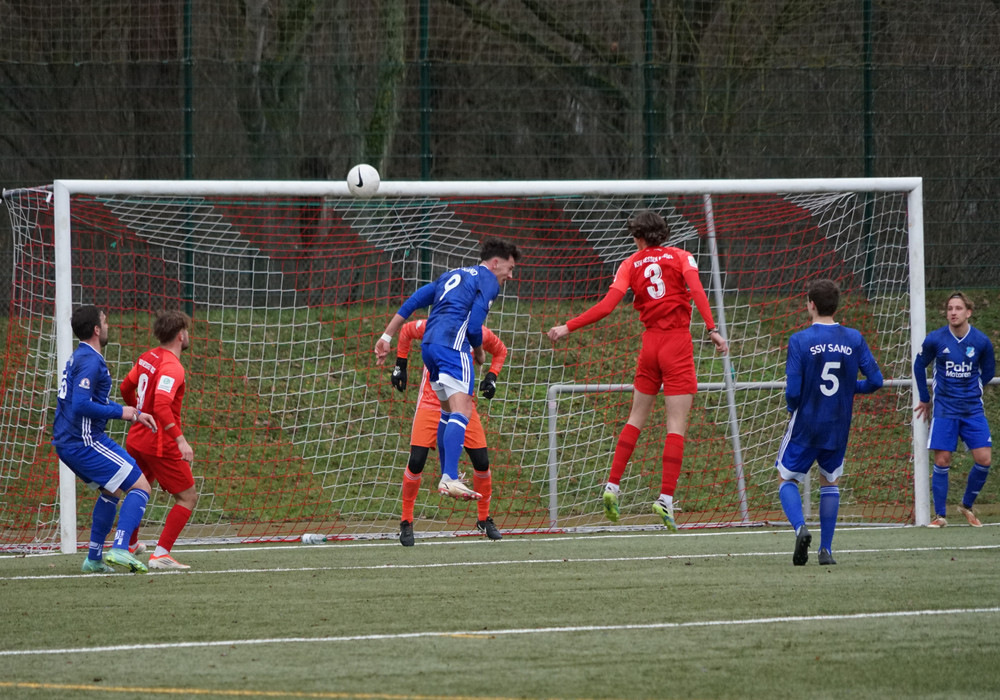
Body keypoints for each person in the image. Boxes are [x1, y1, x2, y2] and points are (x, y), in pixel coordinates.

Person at [547, 209, 729, 530]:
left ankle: (612, 485)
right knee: (675, 425)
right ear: (664, 234)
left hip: (650, 347)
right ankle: (665, 500)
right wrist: (712, 328)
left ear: (638, 237)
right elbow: (698, 291)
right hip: (677, 345)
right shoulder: (681, 256)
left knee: (635, 418)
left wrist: (568, 326)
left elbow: (606, 306)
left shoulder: (630, 264)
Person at [374, 238, 521, 544]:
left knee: (451, 413)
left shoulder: (450, 277)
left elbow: (415, 299)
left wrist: (386, 335)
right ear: (496, 263)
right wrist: (478, 352)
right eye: (510, 268)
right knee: (462, 409)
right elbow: (475, 325)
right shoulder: (487, 282)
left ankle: (457, 486)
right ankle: (448, 477)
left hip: (430, 349)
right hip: (454, 349)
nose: (510, 275)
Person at [776, 279, 883, 566]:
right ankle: (826, 550)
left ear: (810, 304)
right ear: (836, 305)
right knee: (830, 481)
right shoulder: (854, 338)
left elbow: (794, 391)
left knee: (786, 478)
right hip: (838, 423)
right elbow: (876, 381)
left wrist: (791, 407)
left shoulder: (800, 340)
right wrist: (851, 390)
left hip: (807, 421)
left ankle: (800, 528)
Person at [52, 305, 158, 574]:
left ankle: (94, 559)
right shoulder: (90, 360)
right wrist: (122, 412)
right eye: (105, 321)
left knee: (112, 491)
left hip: (70, 441)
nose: (108, 325)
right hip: (83, 441)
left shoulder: (81, 357)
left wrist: (134, 413)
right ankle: (121, 548)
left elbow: (89, 401)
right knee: (140, 485)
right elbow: (80, 405)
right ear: (97, 330)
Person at [391, 319, 507, 546]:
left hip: (463, 405)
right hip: (429, 403)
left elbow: (500, 350)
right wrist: (400, 365)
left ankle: (483, 519)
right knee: (416, 461)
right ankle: (406, 522)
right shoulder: (434, 324)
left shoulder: (477, 332)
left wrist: (492, 376)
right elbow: (405, 330)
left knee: (482, 462)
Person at [120, 310, 196, 569]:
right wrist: (180, 440)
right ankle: (161, 553)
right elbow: (163, 406)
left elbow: (125, 388)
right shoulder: (173, 367)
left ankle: (130, 544)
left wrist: (140, 414)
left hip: (137, 439)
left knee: (137, 490)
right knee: (187, 497)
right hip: (159, 443)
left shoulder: (147, 356)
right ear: (180, 335)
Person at [914, 291, 995, 528]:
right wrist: (924, 397)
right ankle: (940, 516)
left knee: (984, 459)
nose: (953, 312)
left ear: (968, 312)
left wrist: (976, 386)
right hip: (945, 409)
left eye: (958, 308)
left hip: (972, 409)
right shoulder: (936, 339)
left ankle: (966, 505)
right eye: (950, 308)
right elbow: (920, 365)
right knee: (942, 460)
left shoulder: (980, 341)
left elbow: (988, 370)